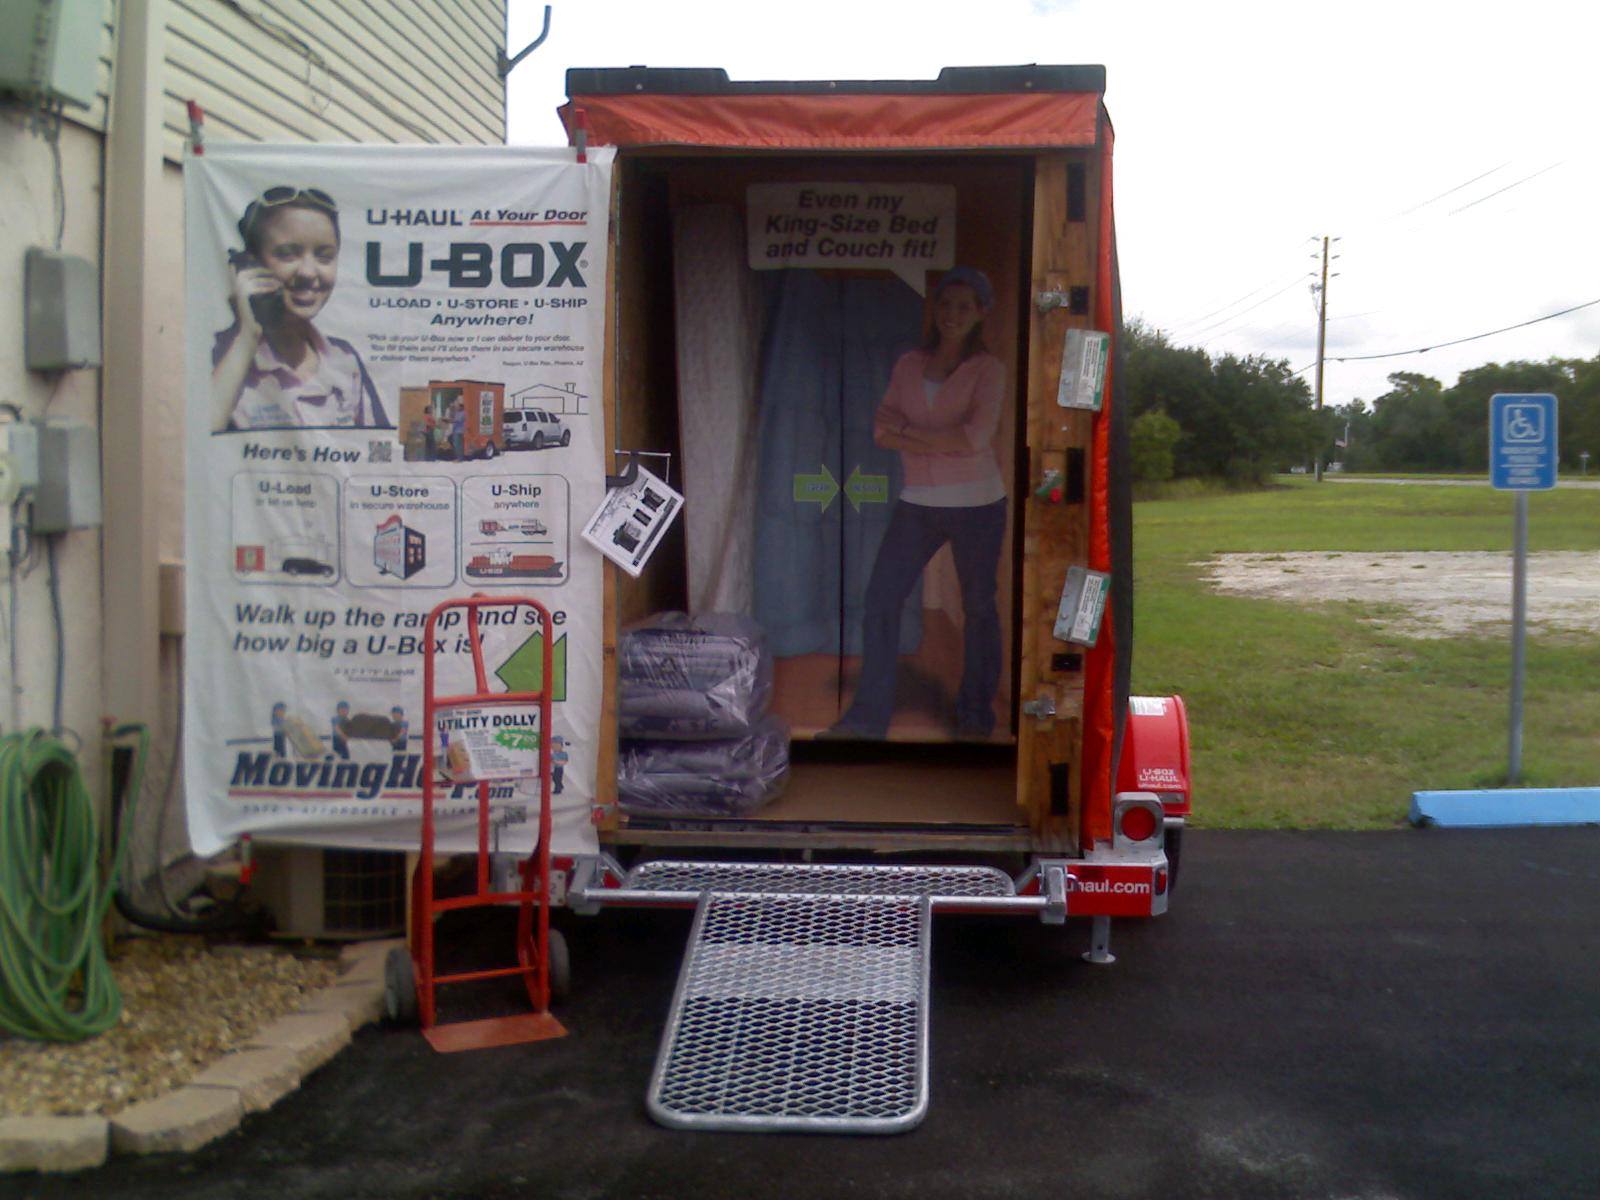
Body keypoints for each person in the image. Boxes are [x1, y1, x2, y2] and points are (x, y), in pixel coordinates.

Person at [832, 267, 1008, 739]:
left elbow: (974, 438)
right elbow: (880, 429)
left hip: (978, 503)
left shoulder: (988, 370)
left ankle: (975, 716)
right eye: (946, 304)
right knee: (881, 599)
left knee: (979, 607)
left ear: (980, 313)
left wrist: (908, 433)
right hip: (918, 502)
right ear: (935, 308)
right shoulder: (909, 364)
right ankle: (867, 718)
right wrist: (936, 438)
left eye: (964, 307)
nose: (953, 314)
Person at [211, 185, 389, 432]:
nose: (307, 272)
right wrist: (247, 336)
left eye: (324, 256)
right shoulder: (218, 357)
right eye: (287, 254)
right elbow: (199, 439)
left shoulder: (344, 359)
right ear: (250, 264)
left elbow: (380, 445)